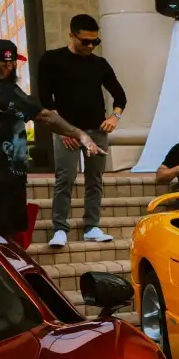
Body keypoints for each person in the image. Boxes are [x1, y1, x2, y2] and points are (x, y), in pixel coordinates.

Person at [0, 39, 103, 243]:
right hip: (0, 181)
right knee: (2, 241)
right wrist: (80, 135)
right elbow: (44, 116)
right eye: (15, 63)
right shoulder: (3, 89)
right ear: (9, 64)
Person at [38, 14, 127, 247]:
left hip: (96, 130)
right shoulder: (52, 60)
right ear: (71, 35)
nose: (90, 46)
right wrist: (61, 131)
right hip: (67, 131)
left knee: (95, 179)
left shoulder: (100, 64)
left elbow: (120, 95)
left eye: (95, 41)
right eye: (85, 41)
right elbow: (45, 100)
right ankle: (60, 229)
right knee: (65, 178)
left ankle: (91, 227)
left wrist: (115, 117)